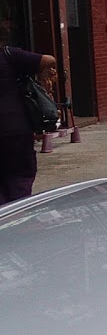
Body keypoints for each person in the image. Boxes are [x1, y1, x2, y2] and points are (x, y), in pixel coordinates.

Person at [0, 27, 56, 203]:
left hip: (14, 133)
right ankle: (16, 217)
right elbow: (49, 60)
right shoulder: (10, 56)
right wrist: (39, 74)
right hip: (15, 132)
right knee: (19, 180)